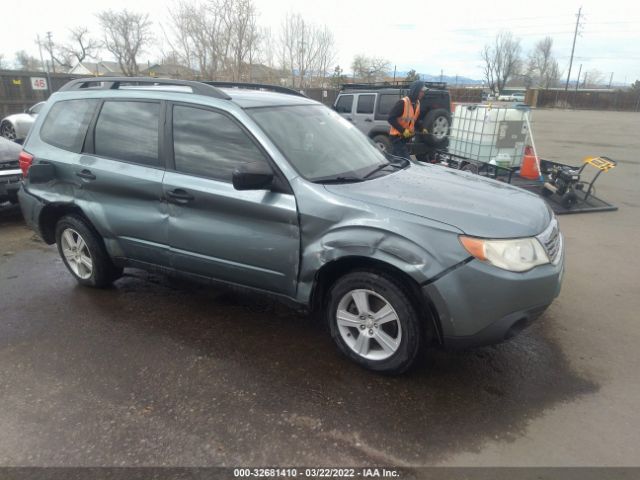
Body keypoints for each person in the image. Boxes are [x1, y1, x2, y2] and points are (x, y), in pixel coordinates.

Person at [387, 80, 428, 159]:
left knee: (394, 160)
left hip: (405, 139)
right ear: (415, 91)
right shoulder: (403, 102)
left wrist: (422, 128)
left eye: (423, 92)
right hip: (397, 138)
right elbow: (390, 118)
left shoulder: (417, 103)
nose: (423, 93)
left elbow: (415, 119)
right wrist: (403, 130)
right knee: (406, 161)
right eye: (421, 91)